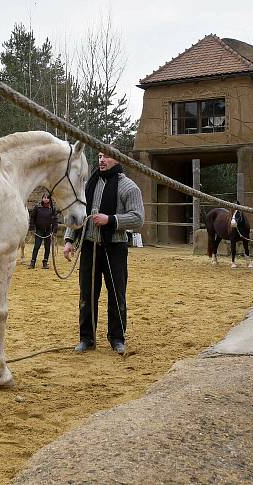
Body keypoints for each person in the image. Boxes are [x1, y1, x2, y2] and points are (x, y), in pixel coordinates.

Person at [63, 152, 144, 355]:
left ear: (117, 160)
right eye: (99, 156)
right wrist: (69, 239)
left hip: (115, 247)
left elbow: (138, 219)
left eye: (106, 157)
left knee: (117, 295)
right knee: (87, 294)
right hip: (89, 246)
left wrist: (111, 219)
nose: (101, 160)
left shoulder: (129, 187)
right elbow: (80, 212)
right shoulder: (87, 184)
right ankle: (86, 338)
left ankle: (117, 338)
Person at [28, 193, 59, 269]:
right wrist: (32, 228)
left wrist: (54, 230)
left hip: (48, 231)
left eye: (47, 198)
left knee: (47, 247)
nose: (46, 199)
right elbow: (32, 217)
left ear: (49, 199)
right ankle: (32, 262)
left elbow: (55, 219)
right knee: (37, 246)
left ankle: (45, 262)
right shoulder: (37, 207)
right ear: (42, 198)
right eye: (44, 197)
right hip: (39, 230)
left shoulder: (52, 208)